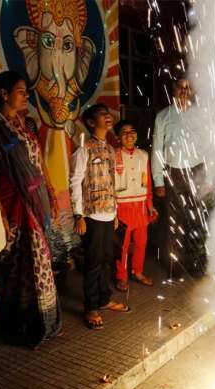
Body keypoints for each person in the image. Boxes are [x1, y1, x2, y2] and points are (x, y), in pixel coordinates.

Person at [0, 71, 61, 347]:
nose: (26, 96)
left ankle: (43, 322)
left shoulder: (27, 123)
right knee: (16, 267)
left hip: (36, 200)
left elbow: (39, 160)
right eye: (21, 91)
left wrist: (50, 191)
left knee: (40, 264)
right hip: (11, 203)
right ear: (3, 94)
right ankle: (17, 325)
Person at [70, 104, 130, 330]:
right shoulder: (84, 150)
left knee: (106, 259)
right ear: (91, 122)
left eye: (108, 113)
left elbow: (111, 182)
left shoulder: (110, 149)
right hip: (92, 215)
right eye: (102, 115)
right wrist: (79, 215)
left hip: (108, 213)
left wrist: (114, 211)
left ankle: (103, 299)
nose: (108, 117)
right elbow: (75, 181)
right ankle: (91, 306)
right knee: (94, 262)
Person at [151, 76, 210, 277]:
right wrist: (158, 180)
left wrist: (208, 177)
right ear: (173, 90)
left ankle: (197, 264)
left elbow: (209, 148)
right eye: (180, 87)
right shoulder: (163, 116)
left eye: (188, 88)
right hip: (173, 173)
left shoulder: (201, 115)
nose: (184, 91)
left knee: (197, 221)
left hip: (196, 172)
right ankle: (175, 267)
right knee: (173, 222)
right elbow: (158, 149)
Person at [113, 120, 158, 292]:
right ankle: (121, 276)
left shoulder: (143, 155)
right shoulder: (113, 154)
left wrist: (150, 204)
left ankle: (137, 271)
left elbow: (146, 181)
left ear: (136, 135)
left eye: (132, 131)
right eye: (124, 132)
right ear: (118, 137)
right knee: (122, 245)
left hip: (140, 206)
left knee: (141, 242)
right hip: (121, 206)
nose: (129, 134)